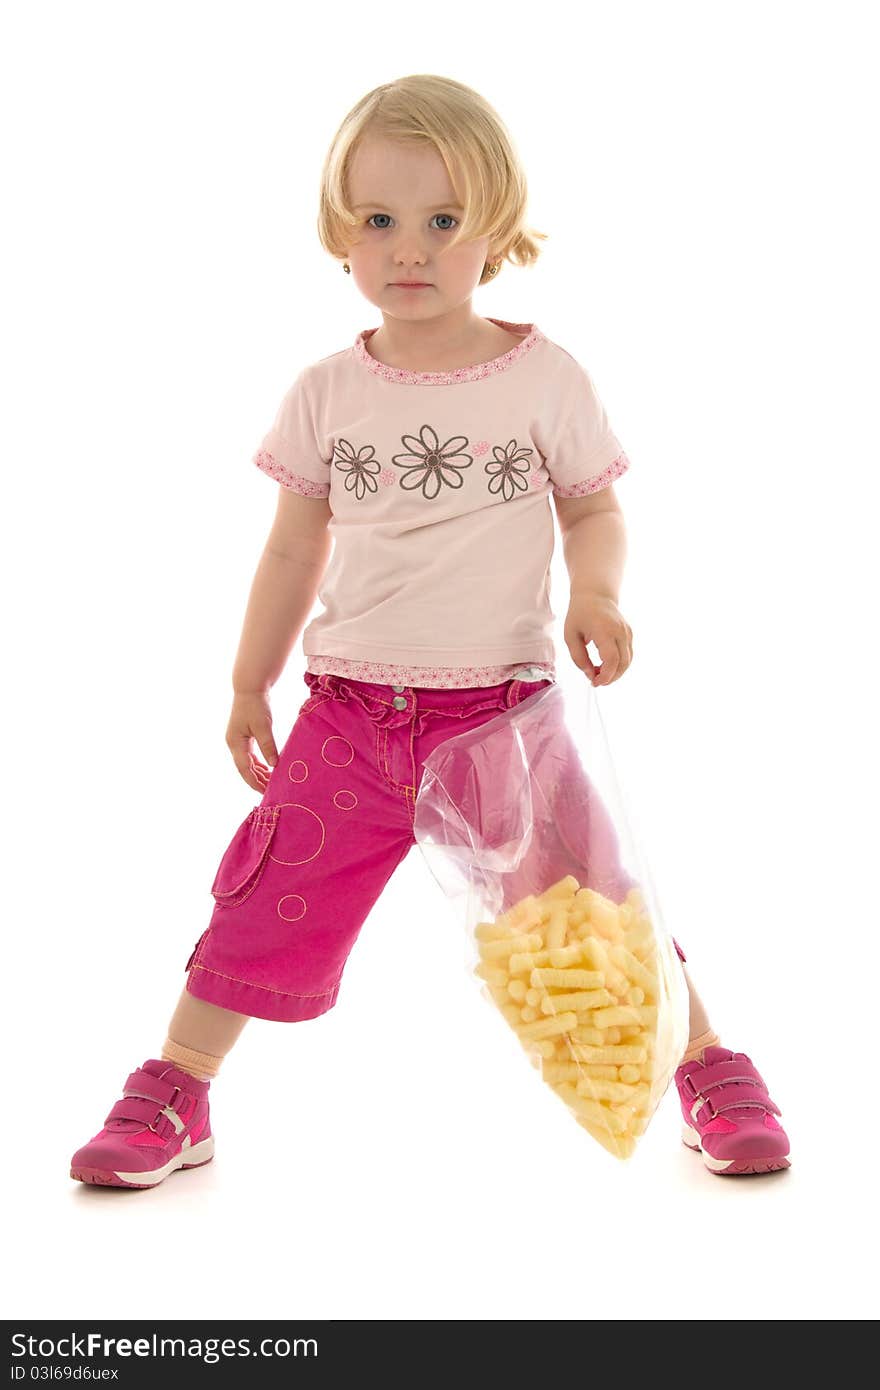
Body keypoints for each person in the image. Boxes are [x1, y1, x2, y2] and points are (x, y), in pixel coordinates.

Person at [70, 74, 789, 1189]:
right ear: (339, 232)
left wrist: (596, 595)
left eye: (443, 221)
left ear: (493, 228)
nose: (410, 249)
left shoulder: (543, 376)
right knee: (261, 901)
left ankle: (702, 1059)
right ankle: (177, 1085)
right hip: (350, 718)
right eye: (379, 220)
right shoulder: (325, 391)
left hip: (502, 718)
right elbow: (290, 550)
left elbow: (592, 508)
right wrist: (248, 682)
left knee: (593, 907)